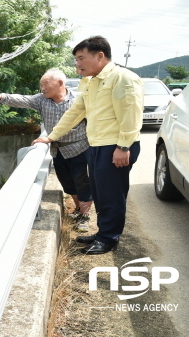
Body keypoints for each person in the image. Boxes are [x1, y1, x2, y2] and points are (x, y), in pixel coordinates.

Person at [32, 36, 143, 255]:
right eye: (76, 60)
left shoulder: (123, 78)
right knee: (101, 193)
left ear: (100, 55)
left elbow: (132, 115)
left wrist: (123, 147)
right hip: (97, 145)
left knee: (112, 194)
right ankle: (103, 232)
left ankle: (109, 238)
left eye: (81, 58)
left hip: (116, 146)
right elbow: (75, 112)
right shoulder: (91, 81)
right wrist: (52, 136)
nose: (77, 64)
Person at [0, 68, 93, 231]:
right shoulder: (42, 100)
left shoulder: (80, 99)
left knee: (82, 183)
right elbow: (22, 99)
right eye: (41, 85)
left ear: (59, 83)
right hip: (58, 151)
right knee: (68, 184)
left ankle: (85, 217)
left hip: (80, 148)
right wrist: (1, 97)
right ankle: (79, 210)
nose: (42, 88)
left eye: (45, 84)